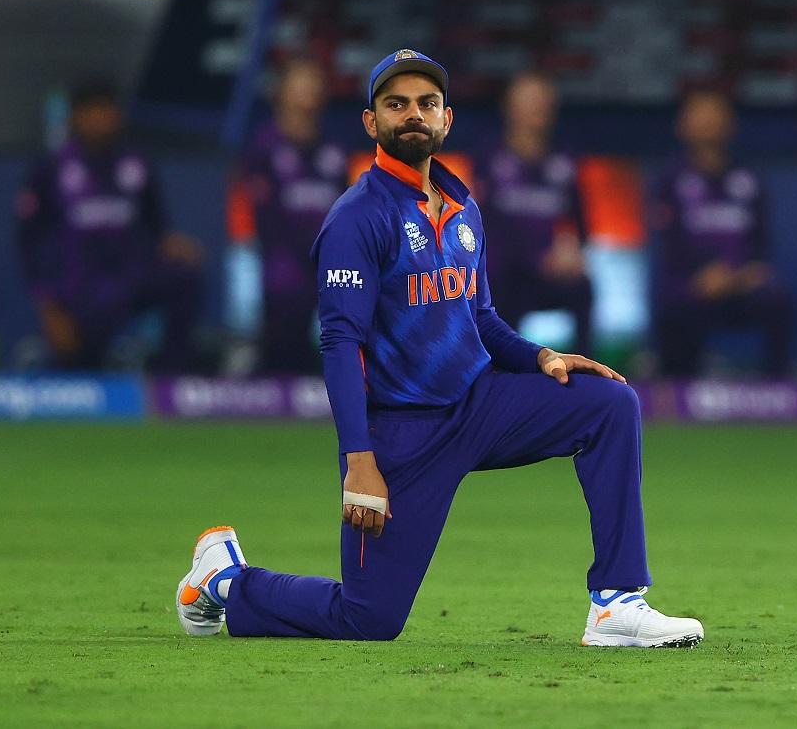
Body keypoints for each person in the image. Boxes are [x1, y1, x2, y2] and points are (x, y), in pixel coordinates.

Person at [175, 49, 704, 648]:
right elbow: (340, 341)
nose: (413, 115)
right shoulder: (357, 218)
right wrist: (359, 458)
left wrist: (539, 358)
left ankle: (616, 604)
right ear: (371, 124)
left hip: (479, 406)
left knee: (609, 404)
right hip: (402, 434)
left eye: (426, 103)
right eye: (395, 104)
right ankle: (226, 579)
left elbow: (480, 319)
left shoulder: (462, 209)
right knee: (369, 619)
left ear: (446, 120)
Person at [17, 82, 203, 372]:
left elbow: (156, 225)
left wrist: (172, 243)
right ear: (76, 116)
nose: (100, 119)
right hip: (80, 283)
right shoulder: (53, 166)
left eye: (106, 111)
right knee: (82, 358)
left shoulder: (135, 162)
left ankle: (171, 378)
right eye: (91, 111)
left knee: (184, 278)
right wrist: (49, 305)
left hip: (131, 272)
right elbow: (30, 240)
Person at [651, 89, 795, 377]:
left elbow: (760, 246)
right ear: (683, 124)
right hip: (690, 286)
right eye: (699, 114)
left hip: (740, 286)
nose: (707, 123)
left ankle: (778, 393)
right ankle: (674, 391)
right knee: (673, 307)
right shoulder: (671, 179)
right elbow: (669, 245)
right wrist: (701, 277)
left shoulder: (748, 179)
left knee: (780, 302)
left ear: (730, 123)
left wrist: (738, 276)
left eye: (715, 114)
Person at [227, 60, 347, 373]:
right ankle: (265, 368)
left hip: (327, 258)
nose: (307, 95)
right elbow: (261, 216)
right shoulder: (263, 149)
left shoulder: (333, 151)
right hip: (277, 255)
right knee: (283, 285)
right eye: (299, 86)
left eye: (313, 86)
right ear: (281, 93)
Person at [475, 72, 593, 354]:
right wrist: (535, 258)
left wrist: (571, 249)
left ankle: (585, 374)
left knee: (584, 287)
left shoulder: (564, 161)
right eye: (529, 102)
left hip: (551, 273)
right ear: (509, 107)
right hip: (504, 275)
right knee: (498, 282)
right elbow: (482, 227)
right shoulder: (488, 158)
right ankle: (497, 369)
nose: (537, 109)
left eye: (543, 102)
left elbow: (580, 226)